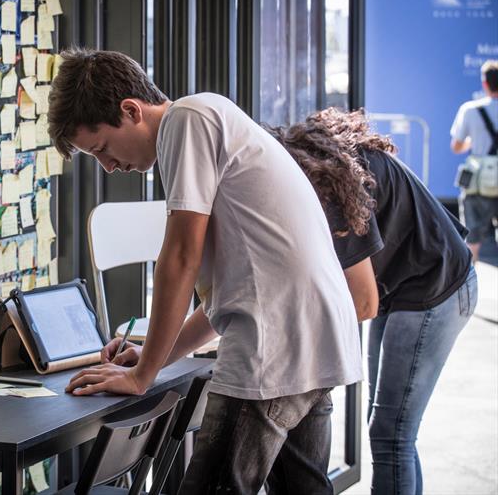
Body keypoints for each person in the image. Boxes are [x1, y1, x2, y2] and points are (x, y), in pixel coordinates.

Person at [50, 48, 362, 494]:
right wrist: (153, 357)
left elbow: (179, 258)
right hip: (313, 338)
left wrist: (142, 376)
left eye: (101, 148)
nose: (108, 166)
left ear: (131, 110)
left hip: (272, 347)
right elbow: (224, 301)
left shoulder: (187, 120)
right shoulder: (213, 119)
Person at [266, 108, 477, 494]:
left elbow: (362, 304)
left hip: (435, 287)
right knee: (391, 430)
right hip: (404, 284)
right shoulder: (324, 164)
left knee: (390, 434)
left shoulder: (325, 193)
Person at [451, 60, 498, 263]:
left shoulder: (470, 110)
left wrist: (472, 142)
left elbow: (456, 146)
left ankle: (471, 287)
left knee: (472, 237)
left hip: (478, 181)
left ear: (485, 84)